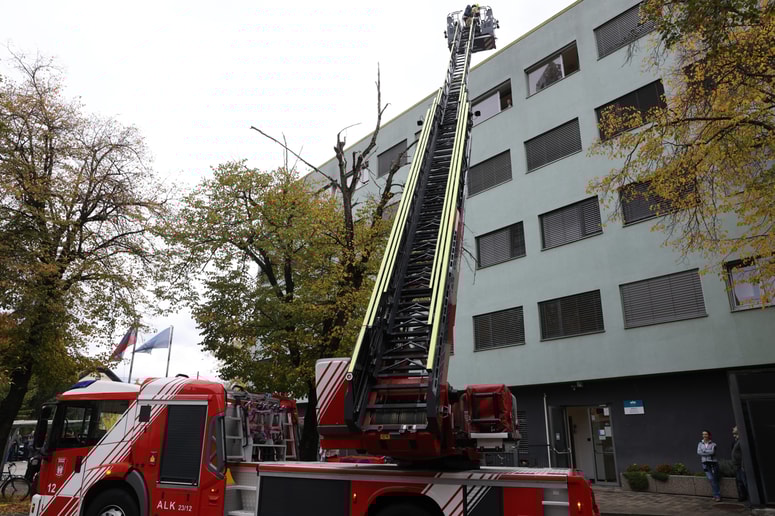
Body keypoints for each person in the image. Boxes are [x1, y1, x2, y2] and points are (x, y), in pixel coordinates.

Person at [698, 430, 721, 501]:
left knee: (715, 479)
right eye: (703, 434)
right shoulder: (700, 444)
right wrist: (708, 452)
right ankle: (716, 494)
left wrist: (704, 451)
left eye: (706, 434)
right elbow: (699, 452)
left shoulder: (713, 444)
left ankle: (717, 496)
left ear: (709, 435)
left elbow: (712, 452)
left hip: (713, 463)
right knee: (711, 479)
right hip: (705, 463)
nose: (704, 436)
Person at [732, 426, 748, 502]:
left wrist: (743, 465)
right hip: (736, 465)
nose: (732, 430)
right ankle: (743, 496)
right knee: (739, 481)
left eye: (734, 429)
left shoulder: (742, 440)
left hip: (741, 465)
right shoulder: (736, 440)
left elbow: (744, 453)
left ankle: (750, 498)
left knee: (745, 481)